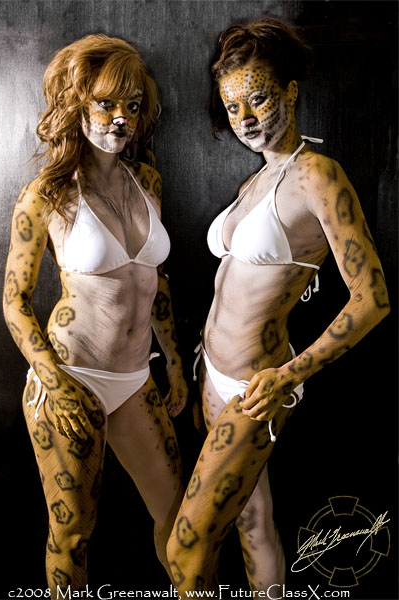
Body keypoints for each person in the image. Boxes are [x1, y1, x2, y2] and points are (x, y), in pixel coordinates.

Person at [167, 17, 390, 594]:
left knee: (186, 547)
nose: (244, 118)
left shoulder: (318, 176)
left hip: (257, 386)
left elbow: (373, 299)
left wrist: (289, 374)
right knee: (253, 522)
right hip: (213, 376)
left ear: (291, 91)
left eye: (259, 98)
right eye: (232, 106)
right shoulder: (256, 181)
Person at [3, 34, 188, 596]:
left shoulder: (147, 181)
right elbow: (14, 302)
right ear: (77, 103)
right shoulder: (46, 194)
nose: (120, 118)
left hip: (135, 377)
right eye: (106, 103)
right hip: (71, 375)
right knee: (73, 533)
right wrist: (55, 383)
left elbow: (154, 282)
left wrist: (174, 361)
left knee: (179, 519)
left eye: (132, 105)